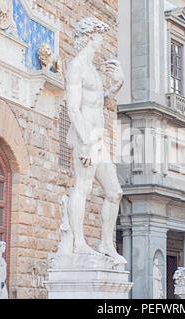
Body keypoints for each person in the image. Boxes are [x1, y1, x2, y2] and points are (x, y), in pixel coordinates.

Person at [60, 17, 125, 264]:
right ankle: (78, 242)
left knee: (114, 192)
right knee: (83, 186)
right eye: (99, 36)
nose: (101, 42)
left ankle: (106, 243)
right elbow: (73, 109)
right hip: (85, 138)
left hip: (98, 139)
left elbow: (100, 103)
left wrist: (117, 85)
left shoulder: (93, 71)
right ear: (89, 37)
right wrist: (86, 141)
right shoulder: (76, 67)